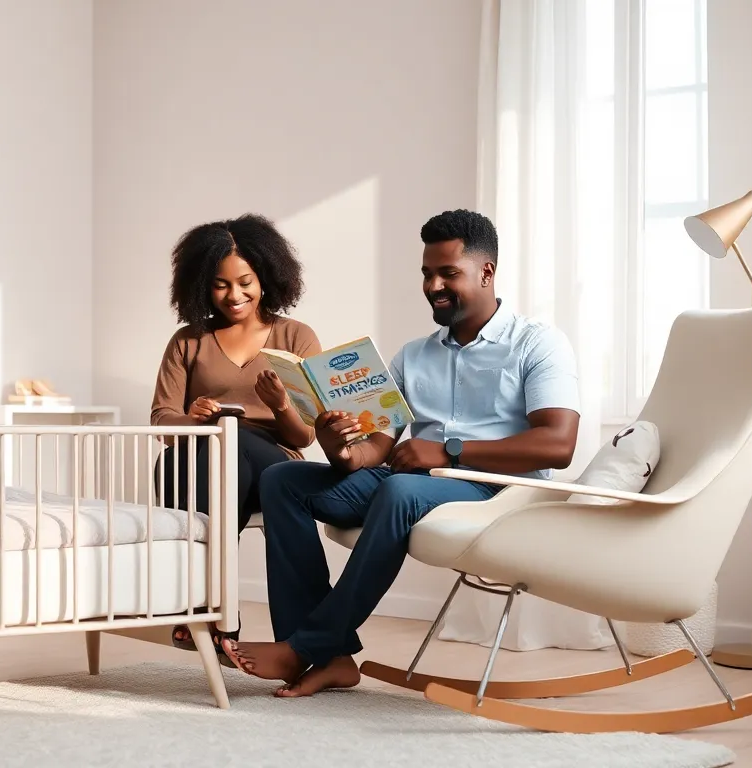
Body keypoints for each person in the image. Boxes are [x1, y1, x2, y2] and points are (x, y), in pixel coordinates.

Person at [219, 209, 581, 697]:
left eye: (448, 273)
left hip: (496, 490)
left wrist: (448, 452)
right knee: (284, 481)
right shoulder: (412, 356)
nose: (433, 285)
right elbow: (376, 450)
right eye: (428, 273)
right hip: (412, 479)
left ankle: (305, 647)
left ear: (486, 272)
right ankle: (334, 660)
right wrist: (339, 447)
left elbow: (558, 446)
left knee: (400, 490)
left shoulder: (537, 343)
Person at [150, 212, 322, 656]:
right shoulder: (188, 340)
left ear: (266, 276)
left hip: (273, 469)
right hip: (201, 459)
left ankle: (211, 606)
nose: (234, 295)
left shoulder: (295, 336)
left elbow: (305, 436)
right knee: (199, 453)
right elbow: (161, 421)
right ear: (202, 285)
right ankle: (219, 609)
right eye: (220, 284)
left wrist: (281, 404)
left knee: (236, 442)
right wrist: (193, 418)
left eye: (245, 282)